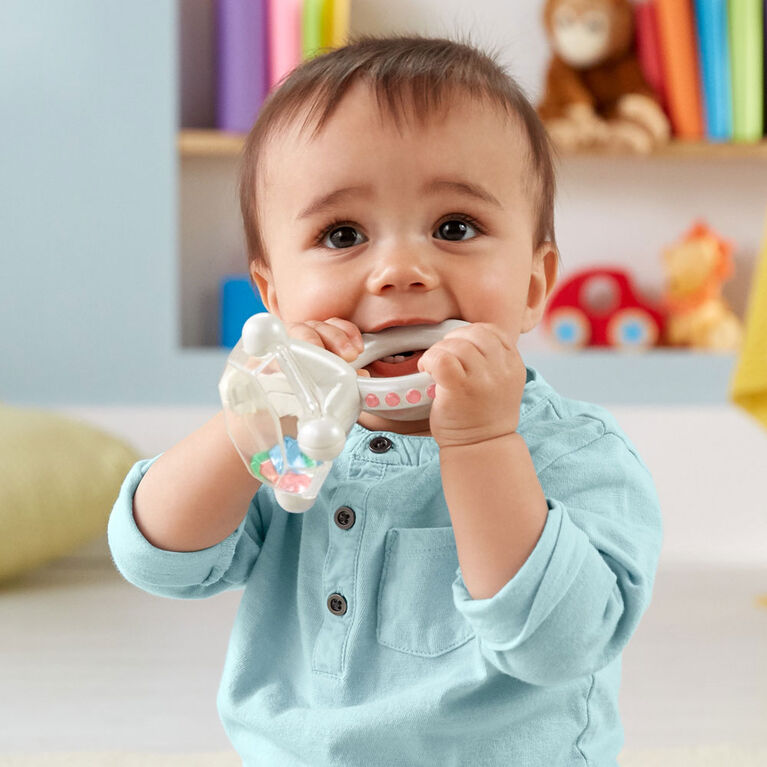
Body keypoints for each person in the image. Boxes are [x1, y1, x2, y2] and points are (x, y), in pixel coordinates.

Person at [108, 34, 663, 766]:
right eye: (342, 234)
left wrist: (480, 443)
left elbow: (558, 646)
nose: (399, 269)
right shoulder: (289, 434)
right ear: (273, 295)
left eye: (454, 227)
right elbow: (158, 561)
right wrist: (253, 423)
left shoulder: (577, 453)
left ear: (532, 285)